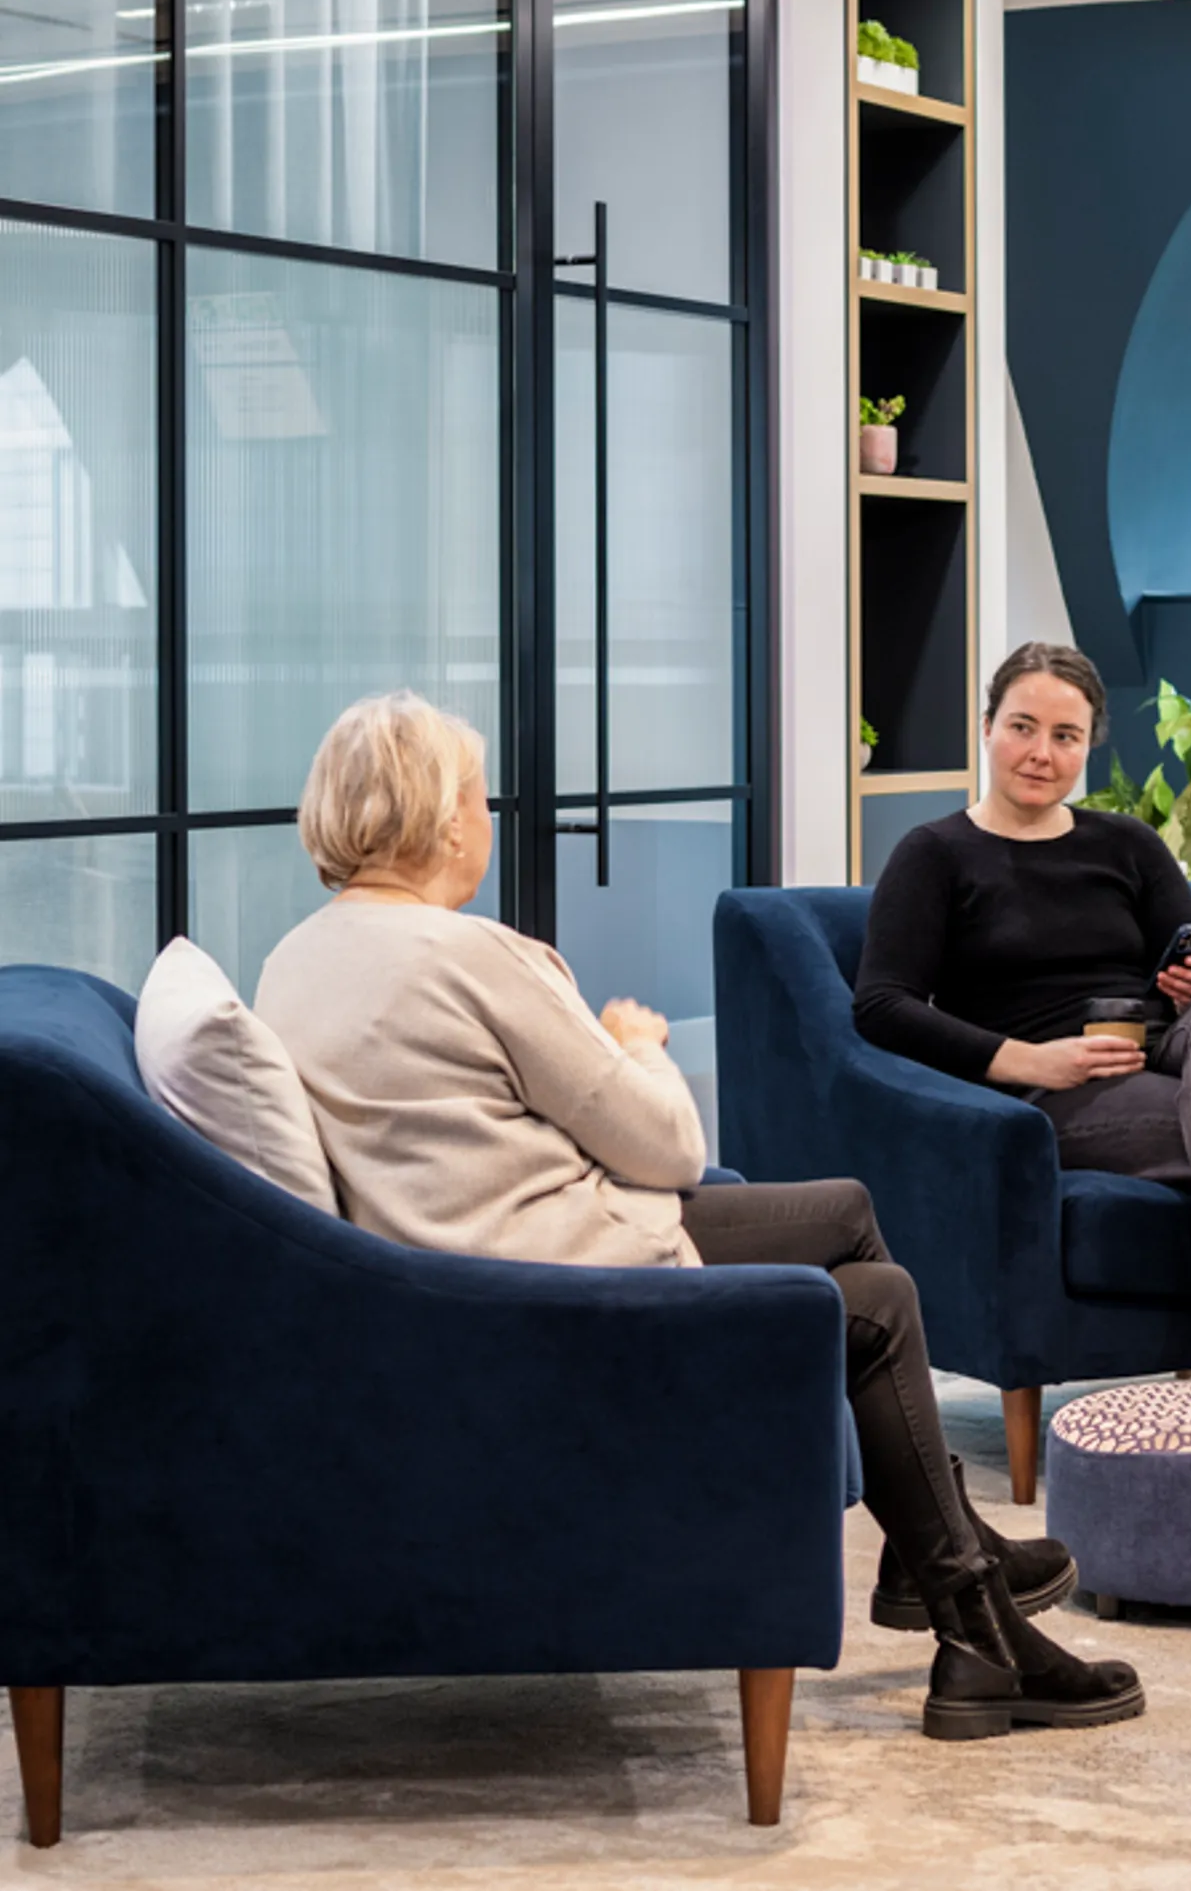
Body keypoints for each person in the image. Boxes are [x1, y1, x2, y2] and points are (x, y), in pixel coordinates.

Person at [254, 690, 1144, 1741]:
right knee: (864, 1262)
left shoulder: (295, 959)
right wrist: (631, 1044)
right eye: (478, 796)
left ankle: (958, 1599)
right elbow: (671, 1148)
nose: (486, 817)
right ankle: (966, 1602)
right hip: (547, 1273)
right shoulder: (470, 956)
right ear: (444, 819)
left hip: (462, 1261)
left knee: (860, 1258)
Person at [853, 641, 1191, 1388]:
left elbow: (1189, 978)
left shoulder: (1128, 844)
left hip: (1164, 1050)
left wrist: (1189, 983)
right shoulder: (933, 854)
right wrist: (1026, 1058)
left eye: (1065, 736)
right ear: (987, 727)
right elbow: (881, 1006)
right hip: (1054, 1090)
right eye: (1022, 726)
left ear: (1088, 747)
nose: (1041, 753)